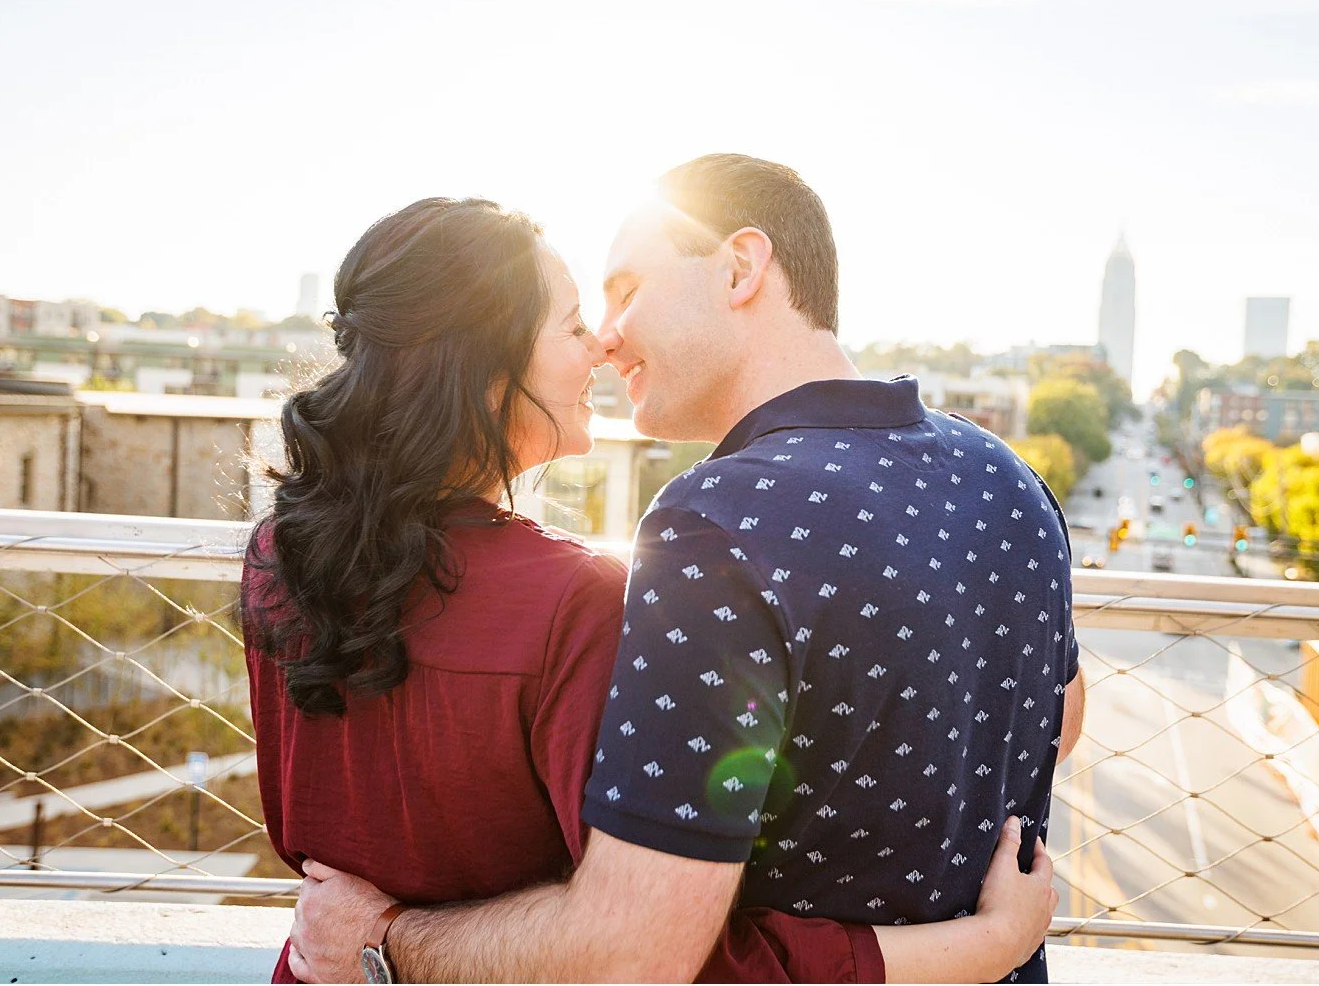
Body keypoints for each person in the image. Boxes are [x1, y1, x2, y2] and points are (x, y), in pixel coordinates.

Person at [288, 158, 1084, 983]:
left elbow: (629, 955)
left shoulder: (718, 522)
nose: (606, 334)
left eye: (627, 289)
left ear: (740, 267)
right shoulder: (1005, 477)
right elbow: (1058, 718)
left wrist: (385, 941)